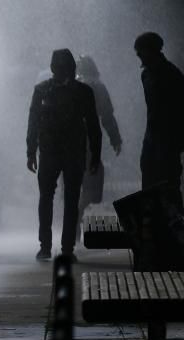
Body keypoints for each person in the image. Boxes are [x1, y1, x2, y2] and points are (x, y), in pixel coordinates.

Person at [26, 49, 101, 262]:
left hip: (57, 152)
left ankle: (50, 246)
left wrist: (31, 151)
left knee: (54, 198)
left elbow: (33, 123)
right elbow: (94, 127)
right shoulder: (81, 92)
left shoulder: (43, 91)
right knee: (67, 199)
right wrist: (95, 154)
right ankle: (61, 247)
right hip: (68, 152)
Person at [134, 32, 184, 212]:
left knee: (169, 186)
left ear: (152, 50)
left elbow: (182, 107)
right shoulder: (146, 76)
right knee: (149, 185)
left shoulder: (172, 75)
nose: (138, 55)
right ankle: (153, 228)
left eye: (140, 51)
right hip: (152, 139)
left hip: (167, 141)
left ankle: (174, 229)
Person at [75, 55, 122, 233]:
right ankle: (77, 213)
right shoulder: (98, 87)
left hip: (67, 143)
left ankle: (74, 220)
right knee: (92, 182)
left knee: (73, 184)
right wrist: (115, 139)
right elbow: (107, 116)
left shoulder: (69, 85)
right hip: (88, 143)